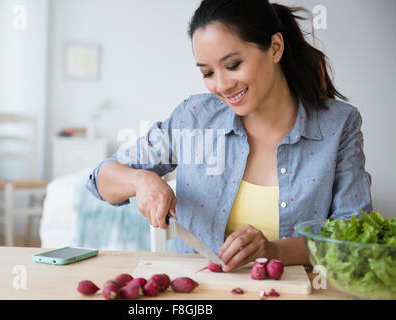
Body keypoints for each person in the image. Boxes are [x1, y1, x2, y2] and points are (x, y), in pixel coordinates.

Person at [86, 0, 372, 271]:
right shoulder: (194, 118)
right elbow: (99, 179)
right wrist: (141, 180)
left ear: (274, 47)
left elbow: (353, 241)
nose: (221, 85)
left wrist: (274, 251)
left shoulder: (338, 125)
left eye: (233, 65)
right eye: (208, 72)